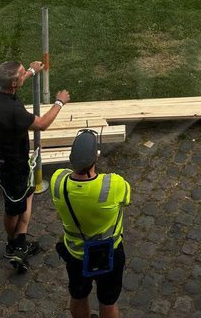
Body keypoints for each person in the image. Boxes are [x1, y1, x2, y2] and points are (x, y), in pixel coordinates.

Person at [0, 60, 71, 271]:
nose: (26, 74)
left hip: (5, 159)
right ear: (14, 83)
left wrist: (33, 70)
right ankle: (13, 244)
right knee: (13, 208)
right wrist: (59, 102)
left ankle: (20, 239)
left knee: (28, 193)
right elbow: (41, 124)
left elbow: (18, 78)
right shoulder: (13, 110)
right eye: (23, 74)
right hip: (12, 167)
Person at [51, 129, 131, 318]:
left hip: (75, 254)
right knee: (108, 301)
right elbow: (127, 198)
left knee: (78, 296)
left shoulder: (57, 181)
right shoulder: (113, 184)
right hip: (109, 253)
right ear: (96, 156)